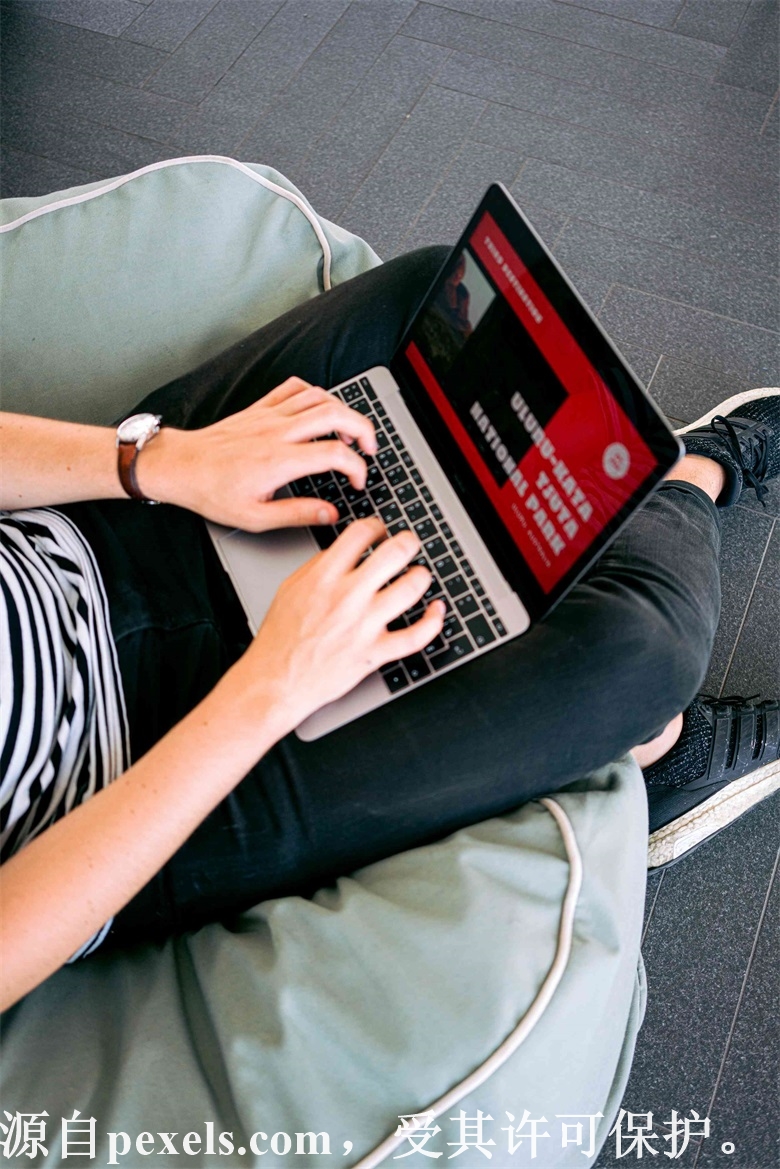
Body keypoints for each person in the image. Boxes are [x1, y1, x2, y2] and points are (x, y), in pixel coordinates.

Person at [1, 247, 778, 1013]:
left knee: (447, 298)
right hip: (138, 789)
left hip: (93, 530)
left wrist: (159, 461)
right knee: (644, 642)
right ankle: (689, 486)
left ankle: (598, 624)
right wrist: (268, 688)